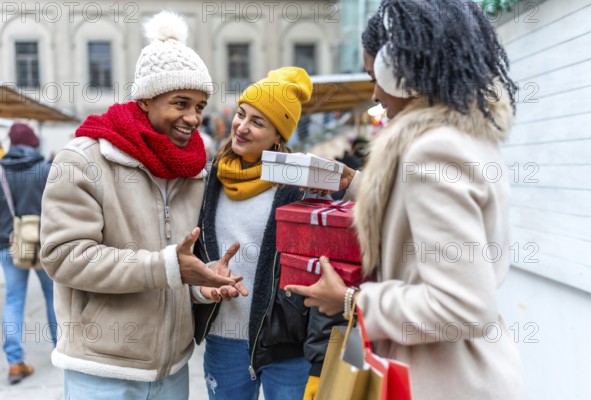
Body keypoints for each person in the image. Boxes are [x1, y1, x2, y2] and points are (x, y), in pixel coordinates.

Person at [286, 1, 527, 399]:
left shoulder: (433, 151)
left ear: (401, 67)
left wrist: (351, 301)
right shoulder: (462, 137)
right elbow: (416, 211)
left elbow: (462, 306)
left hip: (444, 379)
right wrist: (352, 182)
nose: (376, 93)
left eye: (374, 76)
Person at [40, 11, 242, 400]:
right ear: (146, 100)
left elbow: (180, 268)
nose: (193, 118)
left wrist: (202, 284)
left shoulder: (195, 171)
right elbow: (63, 257)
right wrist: (165, 266)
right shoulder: (83, 160)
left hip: (173, 371)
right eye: (181, 103)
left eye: (200, 106)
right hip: (101, 371)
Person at [192, 67, 344, 400]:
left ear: (279, 135)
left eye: (257, 122)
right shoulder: (208, 178)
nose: (242, 127)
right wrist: (203, 286)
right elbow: (194, 254)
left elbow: (326, 262)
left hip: (285, 343)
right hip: (224, 337)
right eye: (241, 115)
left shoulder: (302, 185)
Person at [0, 123, 57, 384]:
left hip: (10, 244)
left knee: (13, 300)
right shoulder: (46, 169)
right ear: (33, 142)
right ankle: (60, 350)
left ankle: (14, 362)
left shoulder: (1, 171)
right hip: (44, 243)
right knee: (53, 296)